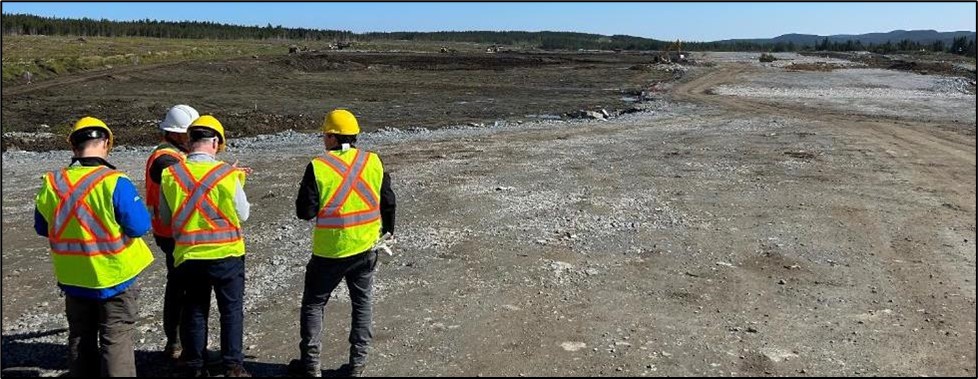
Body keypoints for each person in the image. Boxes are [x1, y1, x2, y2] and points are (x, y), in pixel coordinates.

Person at [34, 116, 154, 377]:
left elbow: (43, 228)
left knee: (80, 335)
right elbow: (139, 226)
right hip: (115, 276)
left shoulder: (52, 183)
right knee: (116, 338)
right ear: (106, 143)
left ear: (73, 147)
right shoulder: (114, 182)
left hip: (74, 278)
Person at [289, 109, 396, 377]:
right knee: (362, 302)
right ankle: (357, 365)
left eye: (325, 135)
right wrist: (388, 231)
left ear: (334, 137)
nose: (323, 139)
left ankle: (311, 366)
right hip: (367, 247)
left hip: (330, 251)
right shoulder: (373, 161)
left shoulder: (319, 166)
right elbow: (389, 201)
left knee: (314, 304)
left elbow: (305, 212)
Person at [159, 115, 252, 377]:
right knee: (231, 311)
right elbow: (242, 214)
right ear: (215, 142)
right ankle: (233, 365)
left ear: (189, 142)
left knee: (195, 311)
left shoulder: (170, 174)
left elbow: (166, 218)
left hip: (189, 255)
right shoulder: (227, 174)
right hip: (227, 254)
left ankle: (194, 365)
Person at [144, 104, 199, 360]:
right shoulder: (165, 158)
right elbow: (178, 176)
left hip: (171, 230)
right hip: (172, 233)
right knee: (181, 288)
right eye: (192, 133)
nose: (195, 139)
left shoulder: (174, 154)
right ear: (177, 134)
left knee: (179, 286)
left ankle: (178, 343)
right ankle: (179, 345)